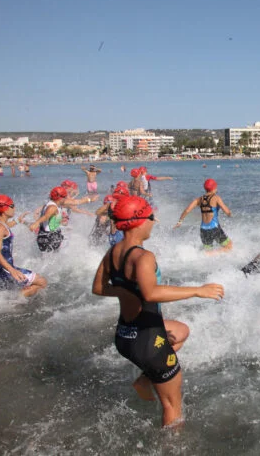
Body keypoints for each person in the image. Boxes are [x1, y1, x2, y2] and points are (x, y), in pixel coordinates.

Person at [92, 195, 225, 427]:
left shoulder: (113, 252)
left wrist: (124, 292)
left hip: (125, 335)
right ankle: (173, 446)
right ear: (139, 221)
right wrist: (197, 291)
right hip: (146, 340)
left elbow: (98, 288)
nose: (154, 221)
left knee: (181, 331)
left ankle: (145, 380)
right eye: (151, 217)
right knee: (173, 407)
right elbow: (151, 293)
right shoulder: (143, 256)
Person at [0, 195, 48, 297]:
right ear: (4, 208)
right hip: (4, 268)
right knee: (42, 282)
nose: (14, 208)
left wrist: (18, 221)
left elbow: (5, 229)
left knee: (7, 291)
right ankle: (13, 302)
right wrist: (12, 270)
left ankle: (12, 301)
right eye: (12, 205)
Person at [174, 179, 233, 252]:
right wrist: (230, 214)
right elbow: (227, 212)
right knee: (229, 246)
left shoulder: (198, 199)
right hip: (214, 228)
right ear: (214, 188)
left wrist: (180, 221)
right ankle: (211, 254)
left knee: (208, 250)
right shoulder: (216, 198)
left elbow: (187, 210)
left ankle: (208, 255)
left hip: (203, 230)